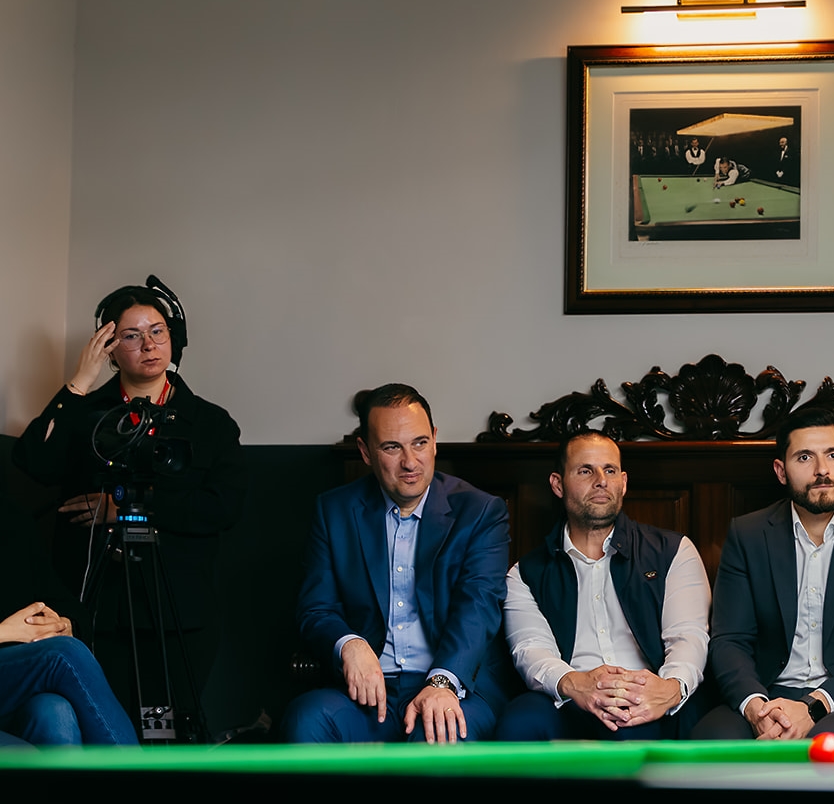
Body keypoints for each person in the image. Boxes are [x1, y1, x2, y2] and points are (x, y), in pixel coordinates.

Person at [11, 275, 246, 738]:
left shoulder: (210, 423)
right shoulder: (85, 412)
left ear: (174, 337)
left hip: (178, 613)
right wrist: (80, 381)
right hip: (97, 612)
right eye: (131, 336)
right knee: (103, 729)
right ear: (109, 347)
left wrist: (126, 509)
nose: (149, 345)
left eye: (157, 331)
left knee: (165, 733)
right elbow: (33, 462)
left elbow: (223, 506)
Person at [282, 384, 511, 744]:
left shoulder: (480, 511)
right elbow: (316, 608)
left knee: (434, 739)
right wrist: (349, 644)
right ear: (365, 452)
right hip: (369, 693)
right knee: (305, 719)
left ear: (434, 440)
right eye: (392, 447)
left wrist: (442, 681)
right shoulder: (334, 510)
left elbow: (478, 607)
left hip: (456, 686)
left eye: (419, 443)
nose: (410, 462)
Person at [692, 407, 834, 739]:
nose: (822, 470)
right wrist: (756, 707)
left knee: (827, 751)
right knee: (711, 744)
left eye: (833, 455)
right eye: (804, 457)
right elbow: (730, 640)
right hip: (765, 691)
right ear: (781, 471)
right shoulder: (748, 534)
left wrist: (813, 706)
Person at [495, 432, 710, 740]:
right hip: (570, 697)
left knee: (629, 731)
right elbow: (531, 649)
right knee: (519, 723)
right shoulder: (525, 573)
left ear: (623, 482)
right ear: (558, 484)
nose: (601, 481)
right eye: (585, 471)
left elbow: (688, 637)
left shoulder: (673, 551)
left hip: (647, 693)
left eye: (610, 470)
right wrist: (575, 684)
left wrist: (670, 688)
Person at [0, 476, 138, 747]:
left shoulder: (9, 517)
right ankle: (138, 772)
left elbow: (60, 599)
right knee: (62, 654)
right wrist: (5, 631)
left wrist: (63, 623)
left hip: (15, 678)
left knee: (54, 712)